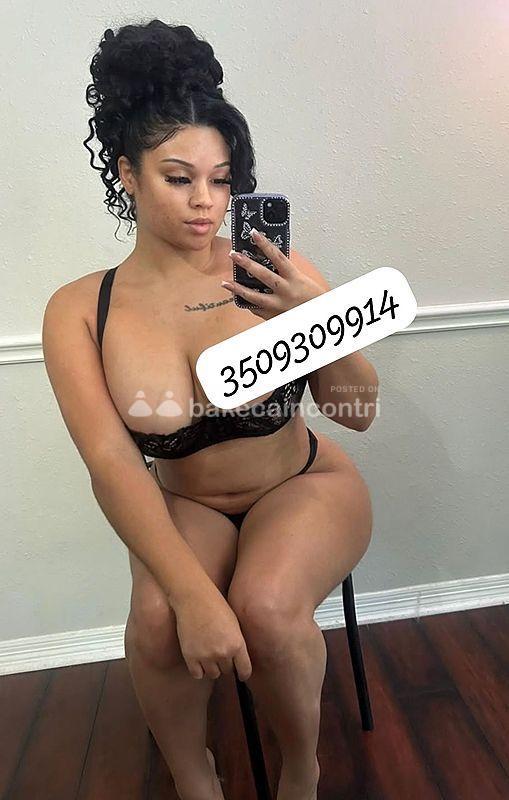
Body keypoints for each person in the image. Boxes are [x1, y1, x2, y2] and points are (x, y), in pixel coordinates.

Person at [42, 19, 377, 800]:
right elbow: (112, 463)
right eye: (178, 177)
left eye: (222, 181)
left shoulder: (273, 270)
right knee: (160, 620)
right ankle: (196, 778)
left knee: (266, 607)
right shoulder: (81, 310)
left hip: (303, 483)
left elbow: (356, 410)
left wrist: (316, 318)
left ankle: (300, 769)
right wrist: (193, 597)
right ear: (127, 174)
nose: (205, 203)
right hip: (188, 501)